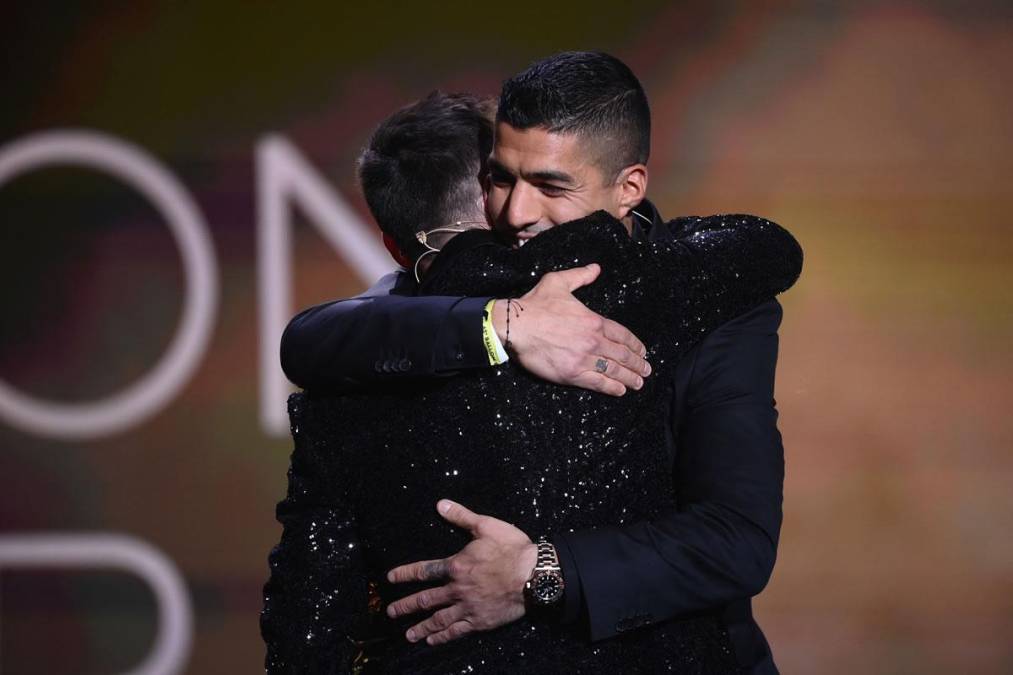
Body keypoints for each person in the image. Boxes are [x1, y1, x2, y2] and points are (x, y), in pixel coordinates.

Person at [277, 52, 799, 673]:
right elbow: (314, 339)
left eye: (551, 186)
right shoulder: (431, 310)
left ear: (629, 186)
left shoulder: (707, 300)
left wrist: (535, 572)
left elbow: (734, 541)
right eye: (500, 179)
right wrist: (504, 323)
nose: (517, 213)